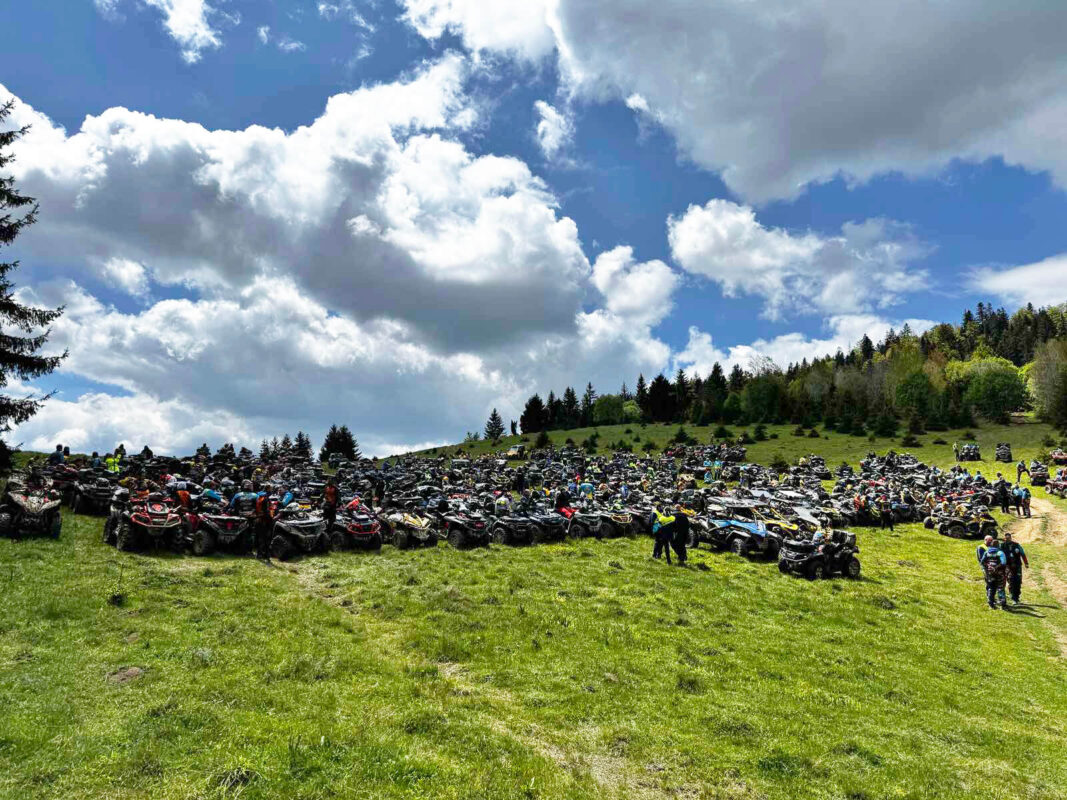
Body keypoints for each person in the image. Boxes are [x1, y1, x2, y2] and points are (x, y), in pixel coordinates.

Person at [977, 535, 1008, 610]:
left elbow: (982, 561)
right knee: (1000, 588)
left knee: (991, 588)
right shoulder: (1000, 553)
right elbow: (1004, 563)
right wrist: (997, 567)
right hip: (999, 573)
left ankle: (991, 604)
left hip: (990, 573)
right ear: (998, 545)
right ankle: (1003, 605)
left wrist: (989, 567)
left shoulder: (987, 552)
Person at [1001, 532, 1029, 605]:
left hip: (1017, 566)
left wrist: (1026, 563)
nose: (1007, 539)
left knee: (1018, 581)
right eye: (1006, 538)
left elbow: (1022, 554)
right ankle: (1013, 597)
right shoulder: (1002, 546)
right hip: (1008, 566)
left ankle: (1017, 597)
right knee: (1011, 580)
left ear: (1011, 538)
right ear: (1004, 538)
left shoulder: (1016, 545)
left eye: (1008, 538)